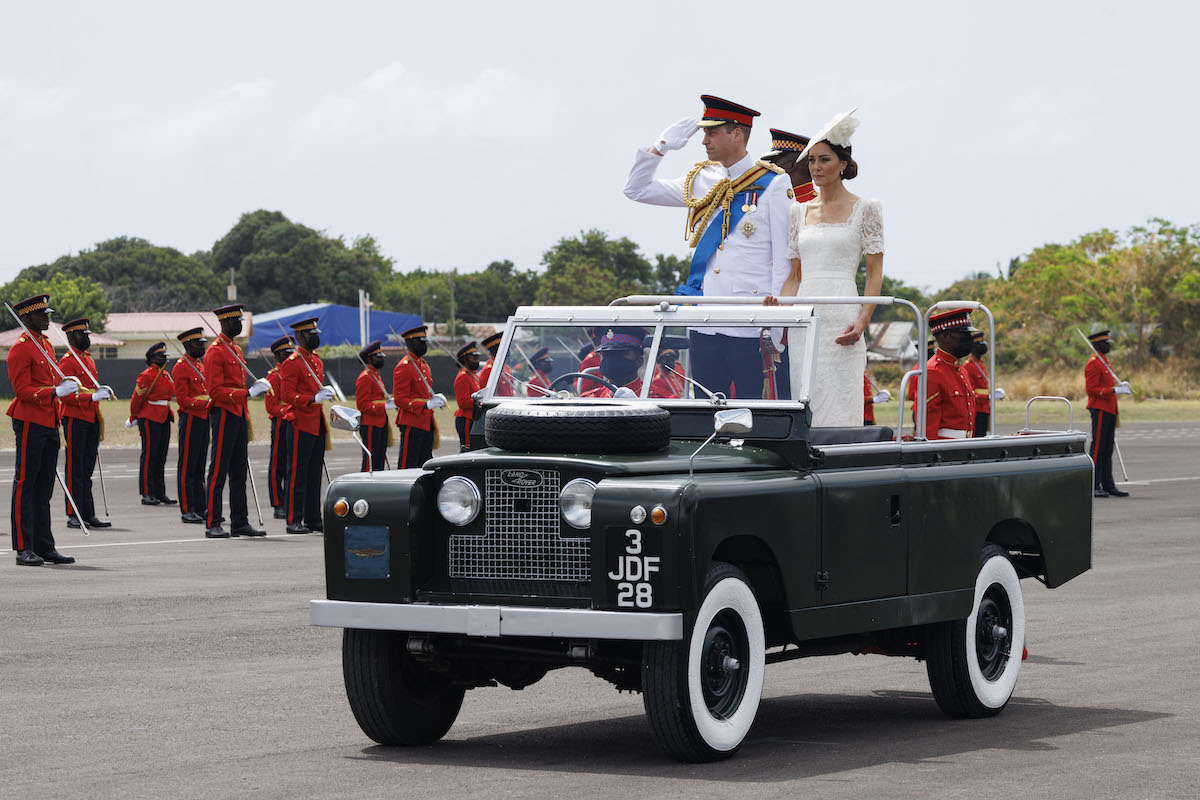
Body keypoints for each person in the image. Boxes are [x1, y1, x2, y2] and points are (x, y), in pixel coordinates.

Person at [625, 94, 791, 399]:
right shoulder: (702, 178)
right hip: (703, 320)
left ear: (737, 134)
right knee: (704, 410)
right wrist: (660, 147)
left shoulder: (774, 184)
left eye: (712, 132)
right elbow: (636, 189)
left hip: (749, 321)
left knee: (752, 412)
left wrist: (776, 330)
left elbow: (783, 260)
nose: (704, 141)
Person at [765, 109, 884, 427]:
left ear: (843, 163)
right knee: (805, 399)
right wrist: (778, 314)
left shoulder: (867, 208)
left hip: (843, 316)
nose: (816, 167)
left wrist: (863, 321)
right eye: (812, 160)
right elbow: (794, 276)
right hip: (805, 316)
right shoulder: (797, 212)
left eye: (825, 159)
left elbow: (874, 273)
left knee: (841, 402)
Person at [8, 294, 78, 566]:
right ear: (27, 318)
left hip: (49, 421)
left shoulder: (46, 346)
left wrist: (66, 386)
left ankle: (44, 546)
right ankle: (24, 548)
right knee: (25, 484)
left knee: (44, 487)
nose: (48, 319)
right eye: (42, 315)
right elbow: (23, 391)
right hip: (29, 421)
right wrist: (54, 391)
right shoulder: (21, 348)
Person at [203, 303, 270, 538]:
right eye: (235, 321)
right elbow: (215, 391)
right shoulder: (215, 351)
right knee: (218, 470)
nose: (239, 325)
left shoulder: (235, 350)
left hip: (239, 414)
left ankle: (240, 522)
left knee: (239, 471)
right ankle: (212, 522)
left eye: (240, 321)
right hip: (223, 414)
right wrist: (248, 394)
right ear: (223, 323)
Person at [58, 317, 113, 529]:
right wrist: (90, 397)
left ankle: (88, 513)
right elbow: (66, 396)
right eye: (82, 334)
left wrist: (99, 395)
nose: (86, 338)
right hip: (74, 418)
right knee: (74, 468)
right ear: (71, 336)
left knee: (87, 469)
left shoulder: (88, 359)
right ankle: (73, 513)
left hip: (91, 418)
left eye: (87, 334)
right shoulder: (67, 361)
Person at [280, 317, 332, 533]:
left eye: (316, 333)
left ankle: (313, 517)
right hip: (301, 423)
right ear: (300, 336)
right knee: (297, 473)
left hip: (316, 422)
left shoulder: (316, 361)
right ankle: (293, 519)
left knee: (314, 473)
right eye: (311, 334)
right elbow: (286, 394)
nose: (315, 337)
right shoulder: (292, 362)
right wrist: (311, 399)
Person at [1085, 330, 1131, 498]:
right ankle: (1094, 484)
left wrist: (1119, 389)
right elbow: (1091, 390)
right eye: (1105, 343)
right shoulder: (1093, 363)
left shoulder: (1105, 362)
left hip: (1110, 408)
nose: (1109, 345)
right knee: (1098, 448)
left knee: (1107, 448)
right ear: (1097, 345)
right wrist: (1113, 390)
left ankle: (1108, 484)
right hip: (1100, 408)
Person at [130, 342, 176, 506]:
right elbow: (137, 398)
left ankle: (159, 491)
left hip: (163, 416)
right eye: (160, 356)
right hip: (149, 417)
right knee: (150, 455)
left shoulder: (165, 375)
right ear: (152, 358)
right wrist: (133, 416)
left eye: (165, 356)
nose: (164, 358)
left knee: (161, 456)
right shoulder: (147, 375)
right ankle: (147, 492)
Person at [172, 328, 211, 524]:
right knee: (187, 466)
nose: (202, 346)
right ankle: (187, 509)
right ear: (187, 345)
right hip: (191, 419)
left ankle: (201, 506)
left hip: (204, 418)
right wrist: (206, 402)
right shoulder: (181, 367)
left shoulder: (200, 366)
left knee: (199, 466)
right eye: (198, 343)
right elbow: (183, 399)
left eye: (203, 343)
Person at [393, 325, 443, 468]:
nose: (424, 344)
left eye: (424, 341)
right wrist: (425, 405)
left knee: (425, 464)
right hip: (411, 422)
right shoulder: (404, 366)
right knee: (408, 464)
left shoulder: (423, 366)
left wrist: (435, 400)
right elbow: (400, 400)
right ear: (409, 343)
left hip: (426, 421)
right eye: (420, 341)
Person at [923, 310, 977, 440]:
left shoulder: (962, 370)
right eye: (962, 334)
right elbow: (927, 426)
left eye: (968, 334)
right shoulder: (932, 372)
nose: (968, 338)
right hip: (944, 449)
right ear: (944, 336)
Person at [582, 328, 675, 399]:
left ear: (639, 361)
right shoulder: (593, 398)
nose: (613, 359)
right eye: (607, 354)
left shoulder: (659, 398)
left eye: (622, 353)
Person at [355, 340, 394, 472]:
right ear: (369, 359)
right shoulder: (365, 377)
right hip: (371, 424)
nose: (380, 360)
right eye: (377, 357)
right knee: (370, 461)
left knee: (379, 460)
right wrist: (384, 407)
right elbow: (363, 405)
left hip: (380, 423)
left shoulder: (375, 376)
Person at [265, 336, 294, 518]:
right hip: (281, 422)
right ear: (277, 355)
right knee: (278, 464)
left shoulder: (293, 372)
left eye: (291, 352)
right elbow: (271, 406)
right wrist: (287, 412)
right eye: (286, 353)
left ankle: (290, 500)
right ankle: (277, 503)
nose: (290, 355)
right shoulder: (274, 377)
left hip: (295, 421)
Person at [963, 330, 1006, 437]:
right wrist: (986, 396)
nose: (982, 347)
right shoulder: (968, 366)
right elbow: (970, 391)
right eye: (978, 344)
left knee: (983, 434)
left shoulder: (981, 364)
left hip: (985, 407)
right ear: (972, 347)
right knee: (977, 435)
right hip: (977, 407)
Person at [761, 127, 816, 204]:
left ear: (794, 164)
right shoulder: (769, 200)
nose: (771, 165)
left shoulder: (819, 205)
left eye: (775, 160)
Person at [453, 342, 481, 452]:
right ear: (465, 359)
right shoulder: (463, 377)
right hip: (466, 419)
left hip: (473, 418)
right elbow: (463, 402)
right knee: (467, 448)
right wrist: (479, 401)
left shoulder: (473, 375)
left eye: (477, 357)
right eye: (474, 358)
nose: (477, 360)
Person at [477, 332, 514, 396]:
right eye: (502, 347)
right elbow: (485, 398)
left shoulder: (505, 367)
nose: (506, 349)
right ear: (493, 350)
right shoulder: (488, 370)